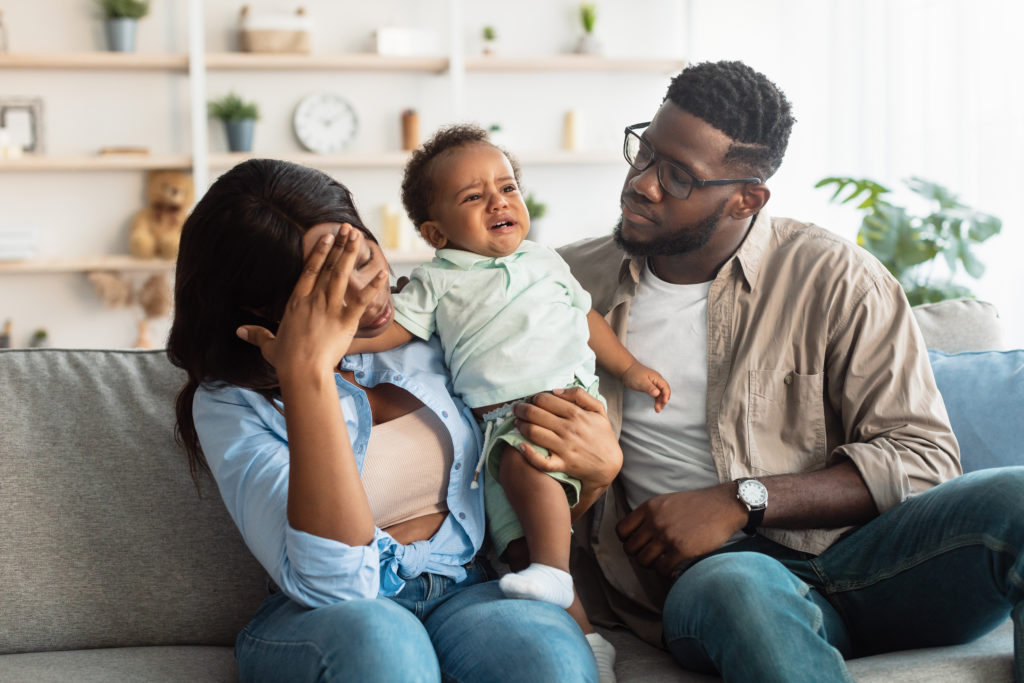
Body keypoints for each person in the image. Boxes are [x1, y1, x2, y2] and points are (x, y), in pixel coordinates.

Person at [555, 60, 1024, 681]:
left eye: (678, 176)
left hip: (871, 566)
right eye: (644, 153)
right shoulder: (563, 287)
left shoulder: (836, 279)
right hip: (716, 582)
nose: (643, 183)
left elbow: (922, 457)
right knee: (738, 583)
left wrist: (741, 499)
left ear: (747, 198)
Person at [166, 158, 624, 682]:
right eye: (331, 283)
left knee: (551, 656)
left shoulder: (436, 330)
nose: (373, 287)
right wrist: (308, 374)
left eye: (364, 254)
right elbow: (334, 585)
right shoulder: (229, 403)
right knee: (388, 647)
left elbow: (518, 503)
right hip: (333, 619)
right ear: (268, 309)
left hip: (467, 591)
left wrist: (596, 474)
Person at [347, 124, 668, 680]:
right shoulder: (437, 280)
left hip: (558, 405)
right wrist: (330, 347)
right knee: (513, 552)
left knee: (528, 473)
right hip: (493, 426)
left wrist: (631, 369)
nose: (499, 201)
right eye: (473, 197)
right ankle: (586, 634)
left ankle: (555, 573)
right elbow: (393, 329)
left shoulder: (545, 262)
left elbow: (586, 319)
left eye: (508, 187)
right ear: (436, 232)